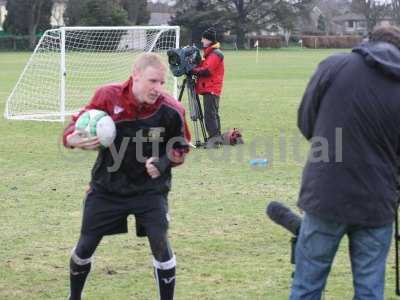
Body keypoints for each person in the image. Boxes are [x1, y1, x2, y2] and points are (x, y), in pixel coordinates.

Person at [63, 53, 192, 300]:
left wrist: (164, 162)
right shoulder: (107, 96)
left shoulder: (171, 110)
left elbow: (181, 148)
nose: (158, 88)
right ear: (135, 76)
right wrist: (71, 138)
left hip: (150, 191)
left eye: (161, 83)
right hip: (107, 188)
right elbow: (77, 124)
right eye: (152, 81)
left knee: (160, 245)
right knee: (85, 246)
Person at [290, 25, 400, 300]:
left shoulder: (334, 65)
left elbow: (306, 122)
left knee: (307, 286)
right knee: (370, 291)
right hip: (378, 201)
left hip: (325, 193)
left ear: (367, 43)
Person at [191, 27, 225, 148]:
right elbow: (204, 66)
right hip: (210, 88)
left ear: (209, 40)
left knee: (210, 115)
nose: (201, 40)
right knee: (212, 114)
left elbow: (207, 70)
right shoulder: (211, 53)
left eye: (203, 38)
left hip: (212, 88)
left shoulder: (215, 54)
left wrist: (192, 70)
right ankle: (217, 139)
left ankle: (214, 141)